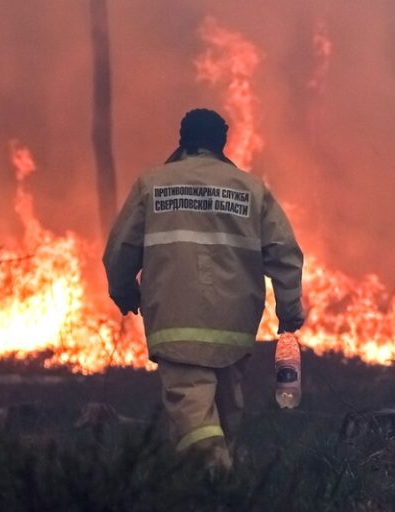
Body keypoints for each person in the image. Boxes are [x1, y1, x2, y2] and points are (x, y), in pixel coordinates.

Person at [103, 108, 304, 469]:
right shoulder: (251, 189)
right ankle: (224, 483)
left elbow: (120, 250)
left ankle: (217, 482)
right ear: (221, 142)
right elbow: (284, 253)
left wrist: (124, 291)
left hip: (176, 325)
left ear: (183, 139)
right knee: (227, 415)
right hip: (234, 329)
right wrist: (289, 310)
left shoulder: (152, 184)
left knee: (193, 418)